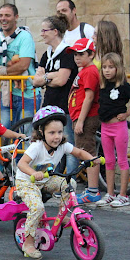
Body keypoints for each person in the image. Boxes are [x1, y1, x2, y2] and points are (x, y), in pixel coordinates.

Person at [15, 106, 101, 259]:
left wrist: (91, 159)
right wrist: (34, 173)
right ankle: (28, 243)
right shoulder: (36, 147)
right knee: (37, 207)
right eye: (52, 133)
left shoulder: (62, 145)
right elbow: (22, 164)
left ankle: (62, 215)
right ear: (41, 132)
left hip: (46, 179)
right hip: (27, 181)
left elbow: (79, 152)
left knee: (70, 184)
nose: (57, 137)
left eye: (60, 132)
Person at [32, 14, 79, 173]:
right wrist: (52, 75)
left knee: (68, 146)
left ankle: (69, 181)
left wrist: (47, 77)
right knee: (47, 145)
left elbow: (62, 80)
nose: (42, 33)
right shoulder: (47, 54)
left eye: (45, 30)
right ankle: (51, 179)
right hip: (49, 105)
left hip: (65, 106)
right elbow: (36, 80)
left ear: (55, 31)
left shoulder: (68, 53)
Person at [96, 52, 130, 208]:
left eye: (111, 67)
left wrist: (127, 114)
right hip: (105, 126)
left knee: (122, 160)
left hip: (118, 126)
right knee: (109, 161)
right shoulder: (102, 85)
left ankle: (123, 194)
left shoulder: (123, 86)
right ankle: (110, 193)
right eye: (104, 67)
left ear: (118, 69)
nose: (107, 70)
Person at [67, 38, 101, 204]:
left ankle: (93, 190)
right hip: (82, 117)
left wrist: (80, 121)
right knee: (85, 152)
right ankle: (91, 188)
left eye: (81, 54)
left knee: (88, 154)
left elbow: (89, 97)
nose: (77, 57)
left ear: (91, 54)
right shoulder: (85, 70)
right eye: (75, 54)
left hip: (86, 118)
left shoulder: (89, 71)